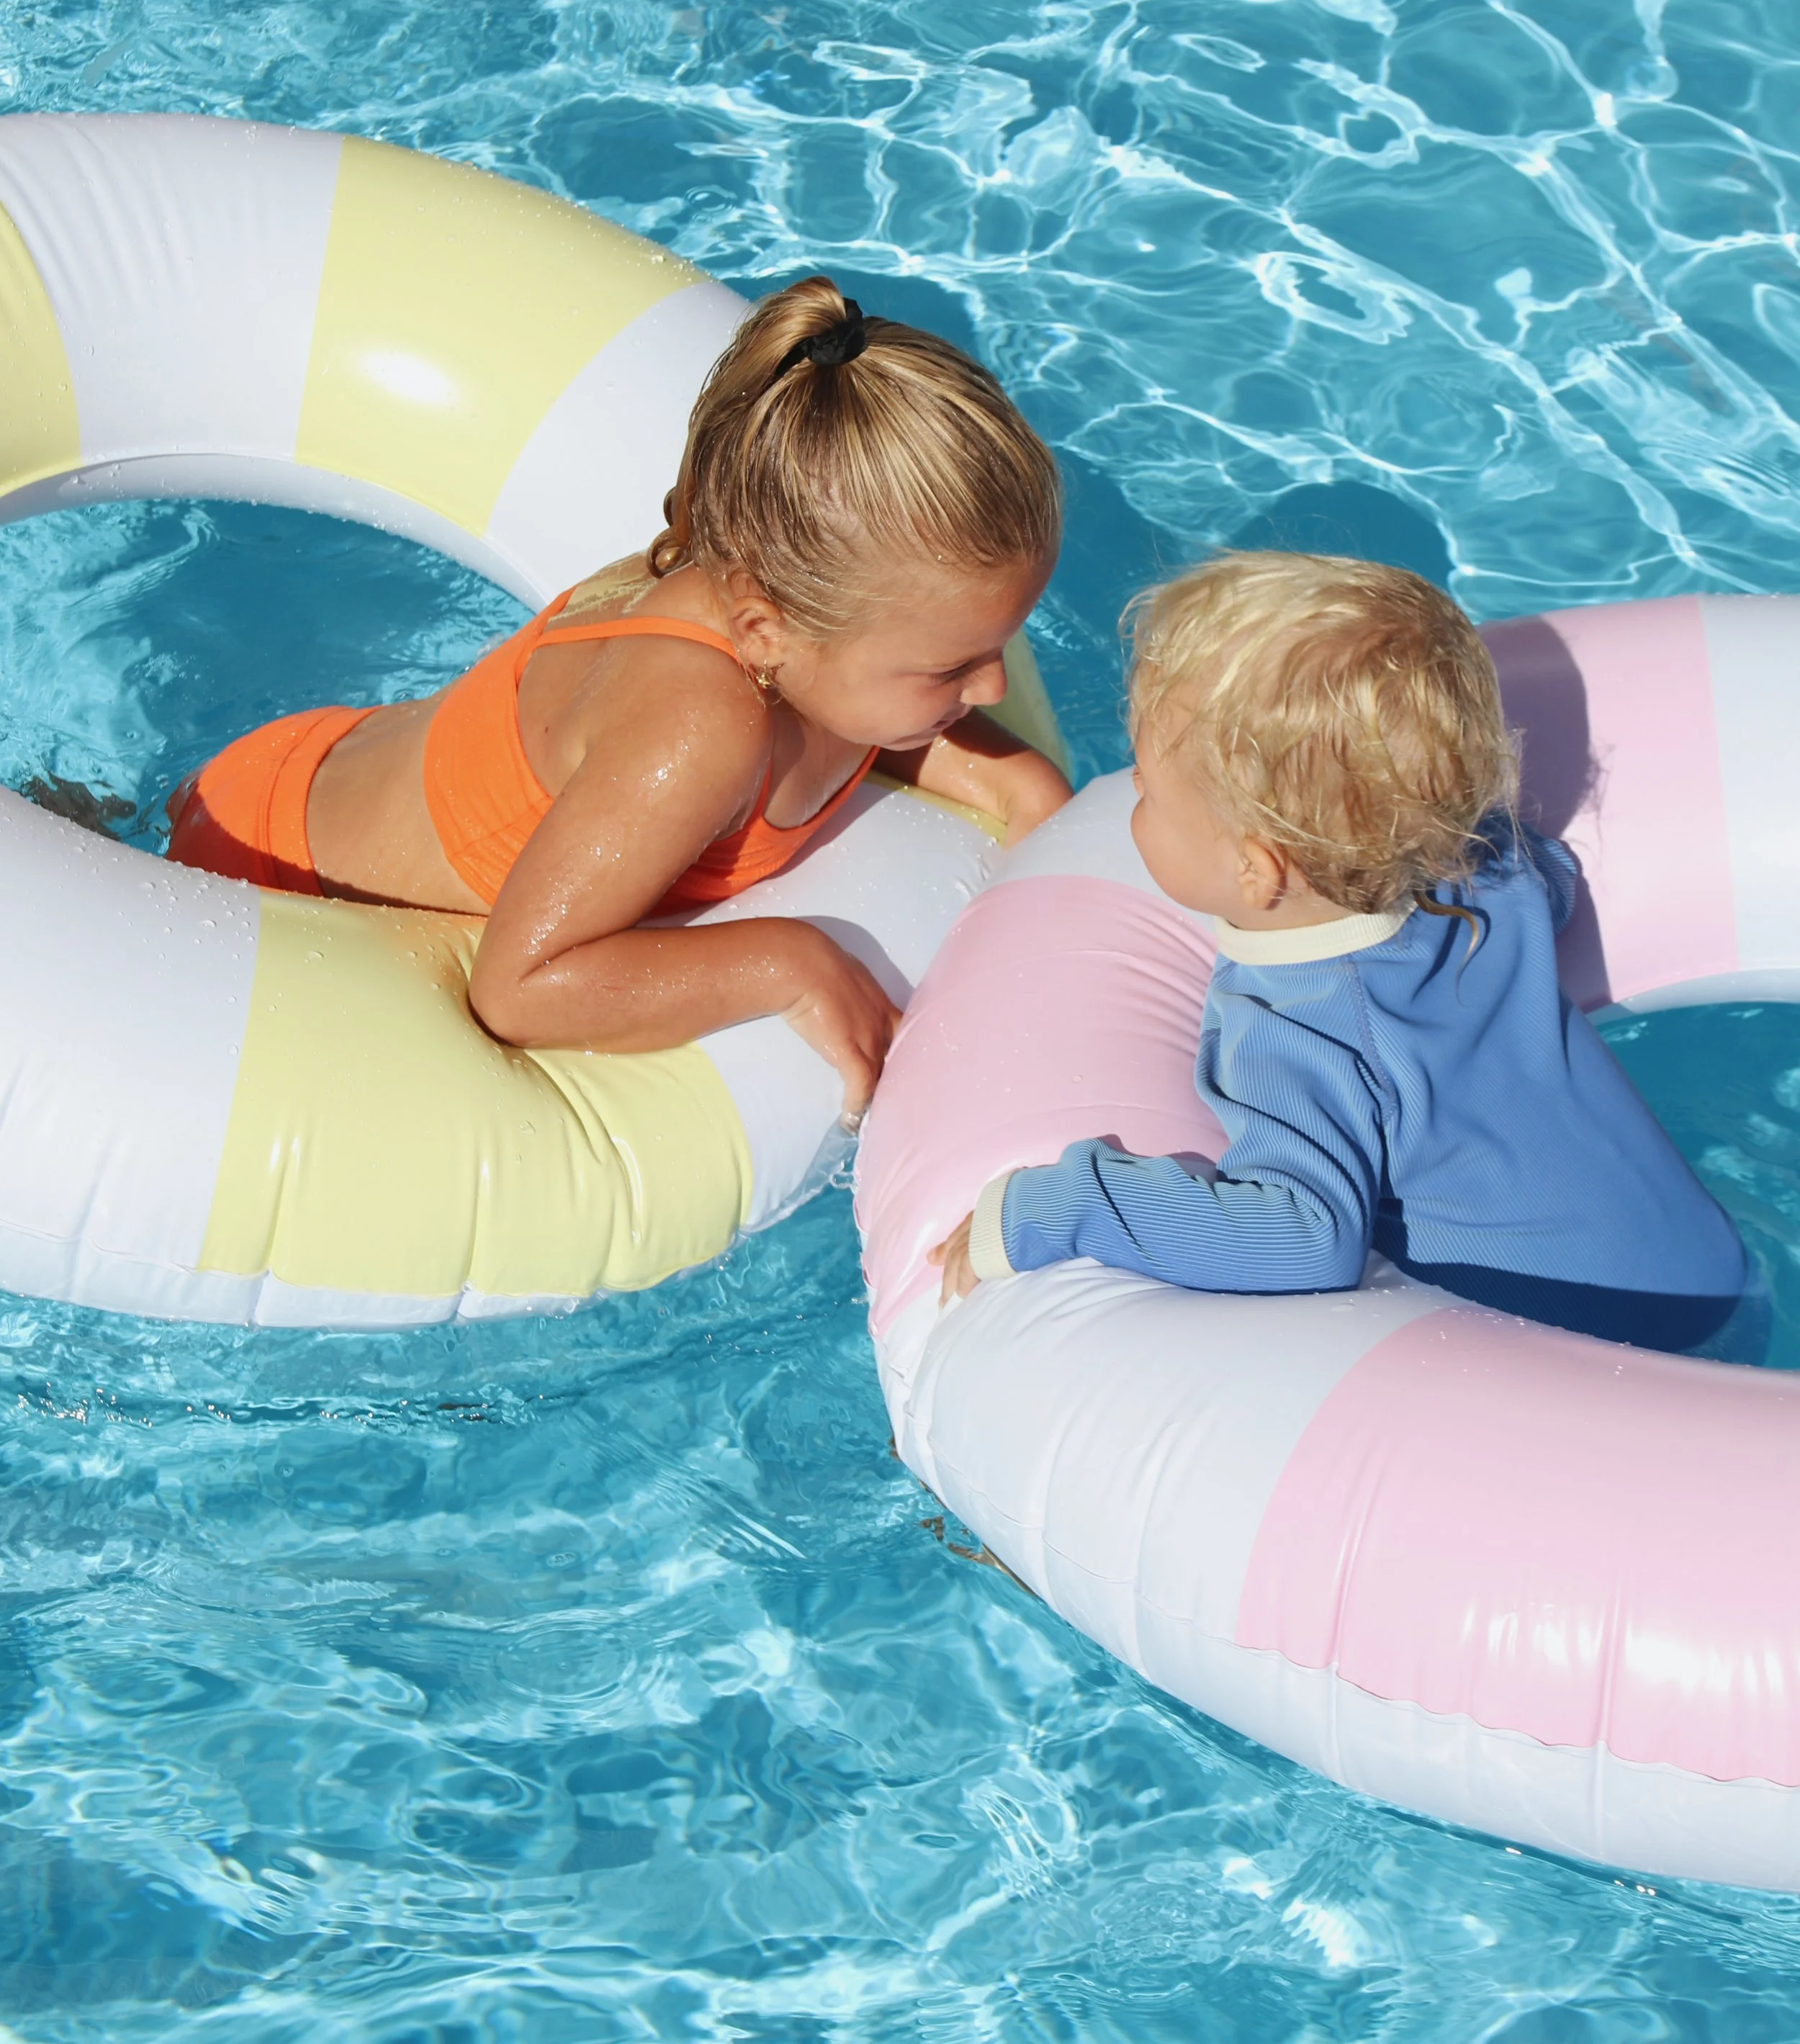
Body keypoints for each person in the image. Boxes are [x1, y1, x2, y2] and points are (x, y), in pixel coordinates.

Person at [167, 279, 1069, 1120]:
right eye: (949, 671)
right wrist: (792, 962)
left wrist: (1021, 788)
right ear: (766, 633)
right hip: (268, 863)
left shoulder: (800, 629)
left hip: (332, 763)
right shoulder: (694, 732)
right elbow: (520, 986)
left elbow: (868, 710)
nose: (993, 688)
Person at [931, 551, 1746, 1351]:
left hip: (1593, 1342)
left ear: (1257, 869)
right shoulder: (1487, 868)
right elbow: (1558, 882)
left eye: (1144, 790)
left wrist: (1059, 1205)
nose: (1131, 806)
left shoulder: (1296, 1030)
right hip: (1715, 1274)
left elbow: (1301, 1235)